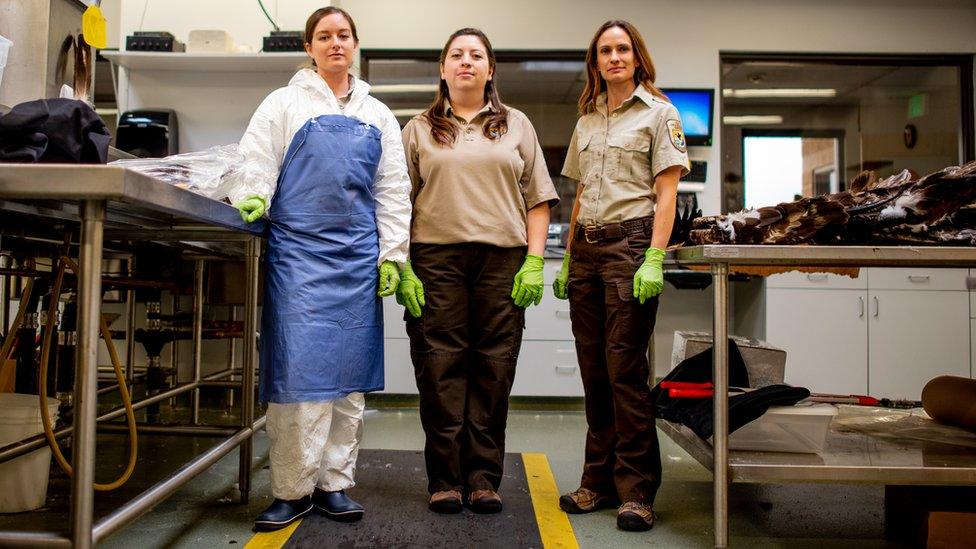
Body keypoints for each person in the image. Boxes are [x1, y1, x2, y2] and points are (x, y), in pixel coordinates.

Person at [231, 7, 411, 530]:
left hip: (355, 258)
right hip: (299, 255)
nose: (335, 44)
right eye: (324, 36)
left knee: (348, 381)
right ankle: (291, 489)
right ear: (309, 47)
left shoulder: (378, 114)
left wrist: (393, 254)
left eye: (344, 35)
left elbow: (392, 190)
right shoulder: (282, 103)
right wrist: (251, 196)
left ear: (356, 44)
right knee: (298, 377)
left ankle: (335, 483)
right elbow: (256, 161)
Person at [398, 28, 559, 515]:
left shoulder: (517, 125)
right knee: (440, 368)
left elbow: (538, 200)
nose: (466, 62)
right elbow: (395, 204)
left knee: (493, 367)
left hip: (501, 260)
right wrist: (402, 265)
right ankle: (446, 480)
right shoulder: (418, 128)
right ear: (443, 69)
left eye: (477, 56)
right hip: (436, 260)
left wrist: (534, 261)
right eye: (456, 55)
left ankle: (484, 479)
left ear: (490, 70)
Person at [553, 20, 689, 532]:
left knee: (624, 371)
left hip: (631, 245)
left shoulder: (660, 114)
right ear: (596, 62)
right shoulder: (587, 120)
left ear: (637, 58)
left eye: (622, 49)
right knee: (593, 372)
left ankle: (636, 490)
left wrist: (654, 256)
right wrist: (568, 257)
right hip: (587, 246)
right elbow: (581, 195)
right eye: (604, 50)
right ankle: (598, 482)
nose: (613, 57)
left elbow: (667, 194)